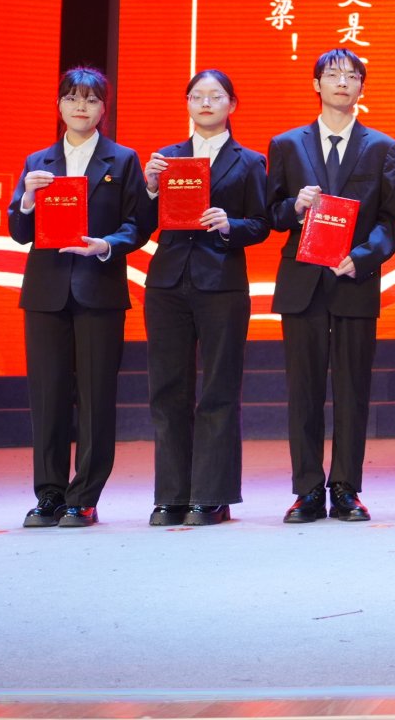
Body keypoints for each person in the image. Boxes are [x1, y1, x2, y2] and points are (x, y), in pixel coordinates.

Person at [266, 48, 395, 523]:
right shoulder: (287, 144)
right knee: (303, 391)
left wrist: (361, 258)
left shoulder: (383, 147)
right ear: (316, 84)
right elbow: (270, 214)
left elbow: (389, 223)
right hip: (302, 282)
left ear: (362, 86)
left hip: (353, 280)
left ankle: (345, 487)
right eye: (332, 74)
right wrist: (294, 207)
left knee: (352, 389)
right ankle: (306, 489)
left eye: (351, 75)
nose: (342, 82)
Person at [8, 67, 146, 527]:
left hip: (99, 290)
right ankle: (49, 493)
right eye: (71, 98)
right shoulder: (38, 162)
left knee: (95, 395)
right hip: (45, 292)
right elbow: (19, 231)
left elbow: (137, 225)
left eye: (90, 99)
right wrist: (27, 200)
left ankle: (84, 495)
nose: (80, 106)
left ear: (104, 108)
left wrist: (106, 245)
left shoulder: (122, 160)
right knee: (47, 396)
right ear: (59, 106)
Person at [139, 69, 270, 527]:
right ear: (188, 104)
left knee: (219, 389)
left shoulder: (250, 161)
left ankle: (212, 495)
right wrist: (149, 187)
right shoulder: (167, 159)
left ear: (232, 104)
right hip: (168, 283)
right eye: (197, 96)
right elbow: (140, 222)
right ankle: (172, 494)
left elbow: (262, 223)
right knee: (167, 390)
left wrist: (231, 224)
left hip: (222, 283)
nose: (207, 103)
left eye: (216, 96)